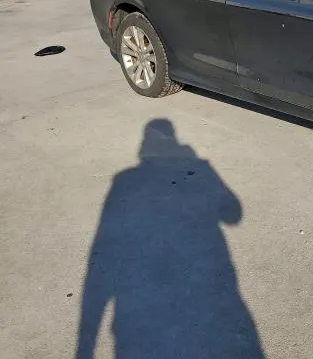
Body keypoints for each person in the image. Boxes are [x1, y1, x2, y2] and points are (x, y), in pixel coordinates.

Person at [76, 119, 264, 359]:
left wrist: (84, 348)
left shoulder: (123, 180)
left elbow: (98, 259)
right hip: (215, 297)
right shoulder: (199, 166)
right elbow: (233, 214)